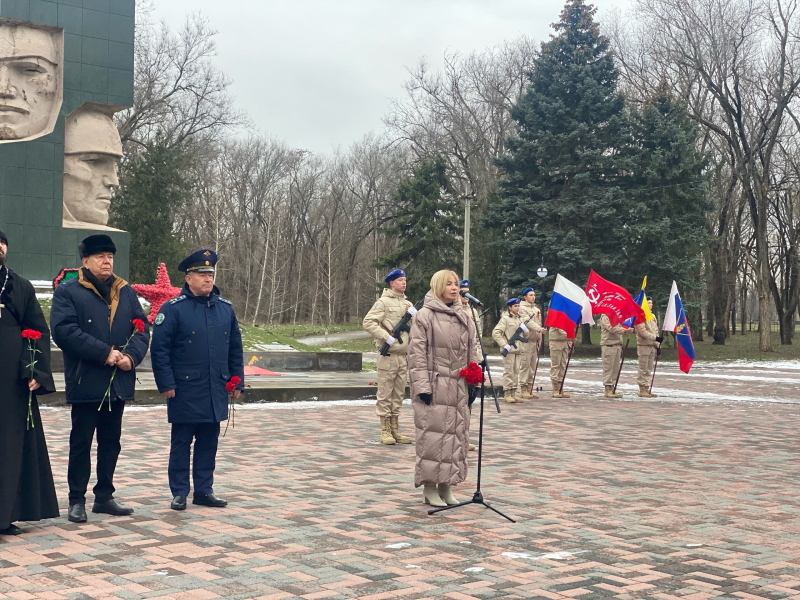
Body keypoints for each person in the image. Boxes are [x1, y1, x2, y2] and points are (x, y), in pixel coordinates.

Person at [51, 234, 150, 524]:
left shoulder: (126, 291)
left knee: (111, 441)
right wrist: (104, 352)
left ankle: (104, 496)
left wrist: (131, 357)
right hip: (87, 378)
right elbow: (64, 331)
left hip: (118, 379)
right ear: (85, 261)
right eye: (100, 257)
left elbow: (141, 327)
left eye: (110, 256)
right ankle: (76, 499)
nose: (107, 261)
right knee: (81, 442)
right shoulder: (68, 291)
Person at [150, 249, 244, 511]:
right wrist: (166, 384)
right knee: (181, 442)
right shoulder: (173, 309)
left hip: (215, 386)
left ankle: (204, 489)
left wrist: (237, 381)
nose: (207, 279)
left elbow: (235, 348)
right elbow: (160, 350)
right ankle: (179, 491)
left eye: (210, 274)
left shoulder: (225, 309)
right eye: (202, 274)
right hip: (185, 388)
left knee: (209, 441)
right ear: (188, 278)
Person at [0, 228, 59, 535]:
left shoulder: (19, 286)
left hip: (10, 385)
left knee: (9, 448)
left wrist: (36, 371)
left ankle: (6, 514)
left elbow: (37, 331)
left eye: (2, 243)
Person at [407, 270, 478, 507]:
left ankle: (447, 485)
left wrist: (473, 377)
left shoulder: (464, 315)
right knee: (434, 437)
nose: (454, 287)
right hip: (435, 383)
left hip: (458, 384)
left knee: (456, 435)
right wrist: (422, 386)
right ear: (438, 286)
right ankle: (429, 487)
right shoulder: (425, 316)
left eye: (456, 284)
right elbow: (416, 354)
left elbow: (472, 349)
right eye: (448, 284)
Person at [362, 269, 416, 445]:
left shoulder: (408, 303)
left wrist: (416, 316)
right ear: (392, 283)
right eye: (400, 280)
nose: (404, 283)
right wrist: (385, 336)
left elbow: (417, 329)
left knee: (398, 394)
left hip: (403, 356)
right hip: (388, 355)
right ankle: (385, 430)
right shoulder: (383, 303)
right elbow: (368, 322)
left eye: (405, 280)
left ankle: (395, 429)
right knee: (385, 392)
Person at [459, 279, 483, 451]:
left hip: (473, 360)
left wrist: (480, 359)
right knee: (459, 402)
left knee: (470, 401)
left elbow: (477, 338)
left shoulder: (472, 310)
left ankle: (465, 437)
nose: (465, 295)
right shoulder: (454, 311)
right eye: (462, 291)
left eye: (467, 291)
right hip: (459, 360)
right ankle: (457, 438)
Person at [492, 298, 524, 403]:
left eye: (518, 306)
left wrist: (524, 329)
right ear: (510, 307)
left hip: (518, 350)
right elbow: (496, 333)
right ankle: (507, 393)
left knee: (516, 372)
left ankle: (514, 392)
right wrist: (504, 345)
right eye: (515, 306)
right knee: (509, 372)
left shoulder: (519, 319)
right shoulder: (505, 319)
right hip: (509, 350)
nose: (517, 308)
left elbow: (524, 335)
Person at [518, 287, 545, 399]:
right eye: (530, 295)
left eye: (534, 295)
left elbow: (539, 325)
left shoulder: (536, 309)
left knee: (532, 366)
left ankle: (529, 388)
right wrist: (539, 329)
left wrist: (540, 339)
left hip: (534, 342)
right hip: (526, 341)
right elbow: (527, 322)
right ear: (525, 297)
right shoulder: (521, 308)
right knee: (525, 365)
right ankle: (523, 389)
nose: (533, 297)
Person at [635, 297, 662, 398]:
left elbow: (655, 330)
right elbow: (642, 331)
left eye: (651, 303)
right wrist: (655, 338)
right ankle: (642, 388)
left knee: (649, 368)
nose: (651, 305)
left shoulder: (652, 316)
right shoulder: (640, 315)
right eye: (649, 303)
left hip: (652, 345)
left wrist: (658, 344)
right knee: (643, 367)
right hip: (644, 345)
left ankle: (647, 387)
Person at [598, 314, 630, 398]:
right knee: (608, 368)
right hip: (609, 345)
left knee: (615, 369)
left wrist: (627, 327)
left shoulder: (618, 316)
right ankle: (608, 388)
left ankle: (612, 387)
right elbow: (611, 328)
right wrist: (625, 331)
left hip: (617, 345)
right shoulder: (605, 316)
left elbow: (622, 325)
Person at [549, 327, 571, 398]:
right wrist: (570, 335)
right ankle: (555, 389)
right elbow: (559, 328)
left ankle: (560, 387)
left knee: (562, 366)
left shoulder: (567, 317)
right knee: (556, 365)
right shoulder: (556, 316)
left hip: (565, 342)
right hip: (556, 342)